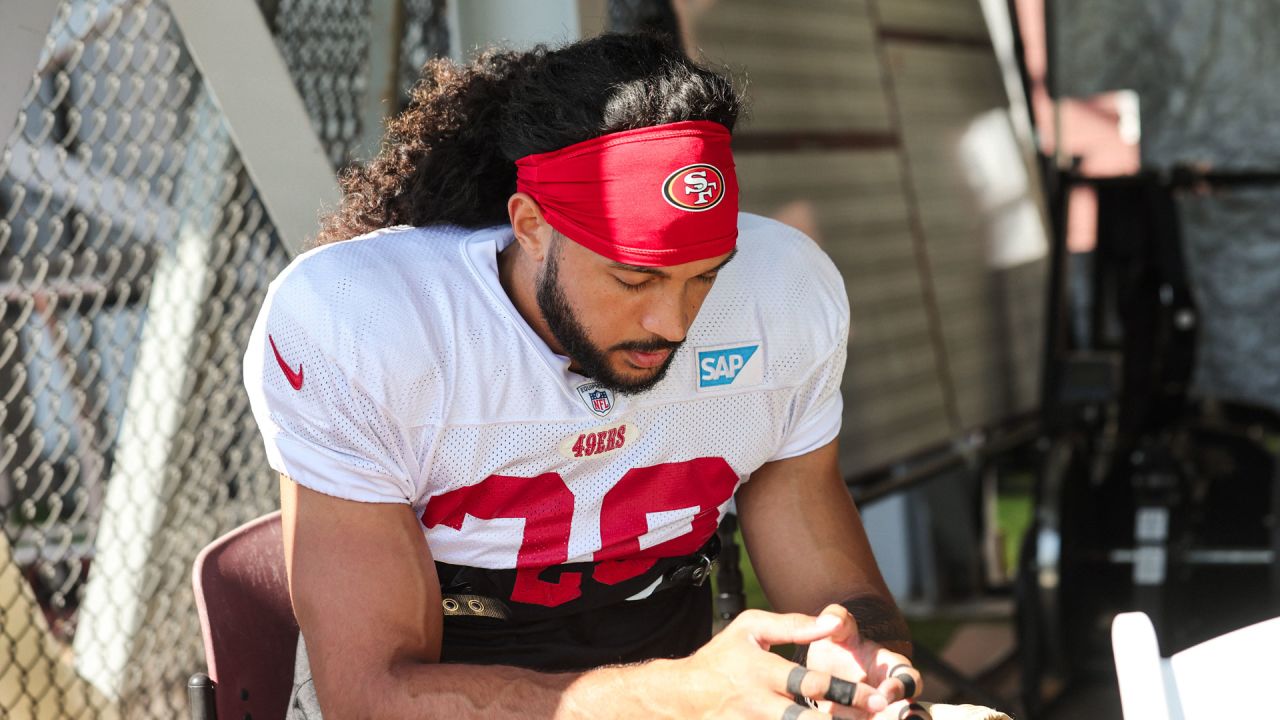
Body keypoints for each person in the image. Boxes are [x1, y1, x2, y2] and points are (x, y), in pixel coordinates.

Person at [245, 32, 926, 720]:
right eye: (634, 279)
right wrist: (678, 695)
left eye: (705, 278)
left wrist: (863, 660)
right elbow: (372, 698)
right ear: (532, 225)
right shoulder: (366, 320)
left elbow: (829, 575)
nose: (672, 322)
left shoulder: (781, 292)